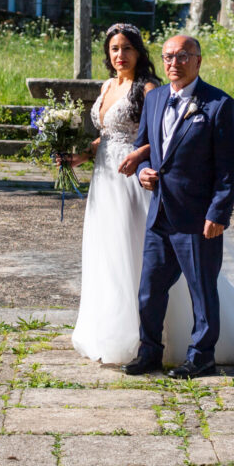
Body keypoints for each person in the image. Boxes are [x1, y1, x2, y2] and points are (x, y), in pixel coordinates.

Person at [67, 28, 234, 374]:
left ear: (197, 61)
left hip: (197, 216)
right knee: (149, 290)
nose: (175, 63)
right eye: (169, 56)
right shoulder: (154, 100)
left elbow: (229, 168)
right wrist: (144, 171)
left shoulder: (219, 105)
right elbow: (145, 146)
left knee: (202, 290)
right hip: (159, 213)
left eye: (183, 56)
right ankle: (149, 352)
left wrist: (219, 213)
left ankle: (201, 357)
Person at [63, 23, 159, 364]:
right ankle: (107, 328)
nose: (120, 55)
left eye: (127, 48)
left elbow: (165, 135)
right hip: (104, 180)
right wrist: (81, 154)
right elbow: (107, 135)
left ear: (139, 52)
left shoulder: (148, 88)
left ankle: (142, 336)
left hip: (132, 180)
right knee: (105, 251)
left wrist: (141, 153)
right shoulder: (108, 85)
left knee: (130, 251)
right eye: (114, 49)